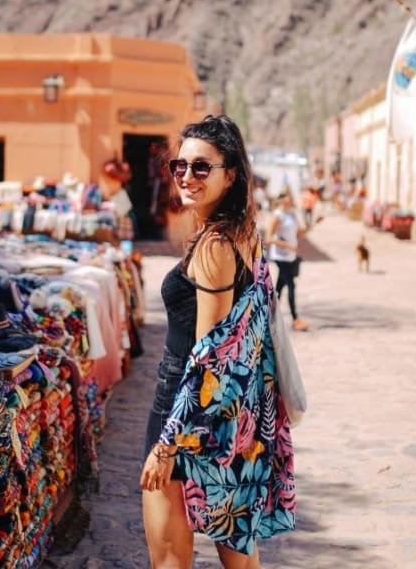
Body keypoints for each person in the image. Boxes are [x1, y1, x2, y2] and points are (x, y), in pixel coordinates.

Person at [141, 114, 294, 568]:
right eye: (179, 166)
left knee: (170, 557)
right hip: (236, 420)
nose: (187, 176)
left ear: (231, 175)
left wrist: (168, 443)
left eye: (201, 167)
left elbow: (209, 358)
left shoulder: (213, 247)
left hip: (185, 411)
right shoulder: (245, 235)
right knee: (241, 559)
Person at [268, 190, 309, 331]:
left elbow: (300, 234)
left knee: (279, 287)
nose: (290, 201)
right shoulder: (278, 215)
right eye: (288, 198)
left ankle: (268, 316)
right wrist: (288, 246)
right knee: (291, 285)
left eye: (291, 198)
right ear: (282, 200)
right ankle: (295, 319)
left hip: (291, 257)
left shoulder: (292, 214)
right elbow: (268, 238)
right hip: (280, 257)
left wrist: (315, 222)